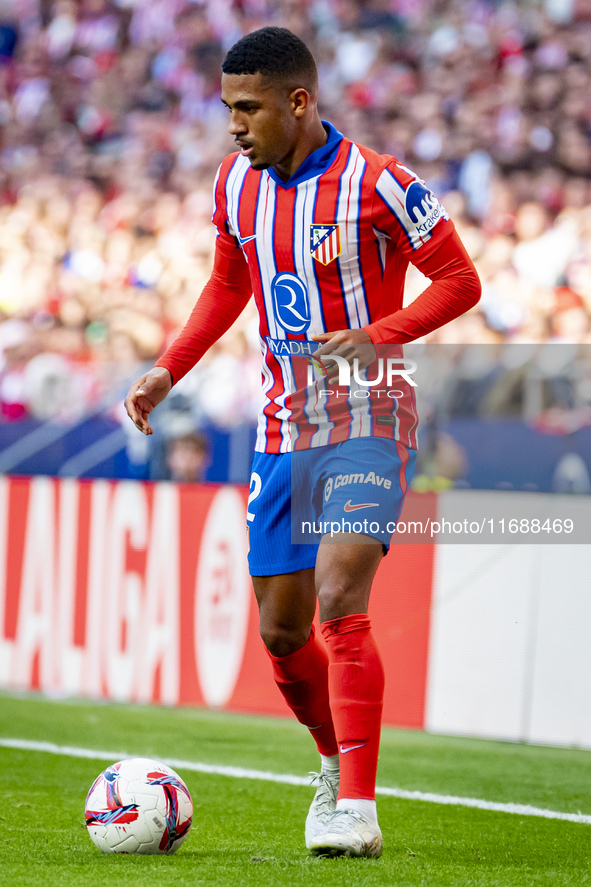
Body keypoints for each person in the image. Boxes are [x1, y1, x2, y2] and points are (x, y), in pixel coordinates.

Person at [125, 26, 481, 858]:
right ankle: (332, 761)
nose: (234, 126)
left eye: (247, 108)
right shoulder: (234, 185)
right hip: (283, 427)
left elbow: (462, 280)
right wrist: (166, 370)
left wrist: (379, 333)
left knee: (338, 598)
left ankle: (355, 807)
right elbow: (227, 282)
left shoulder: (379, 182)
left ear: (298, 101)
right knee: (282, 636)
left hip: (368, 416)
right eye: (226, 109)